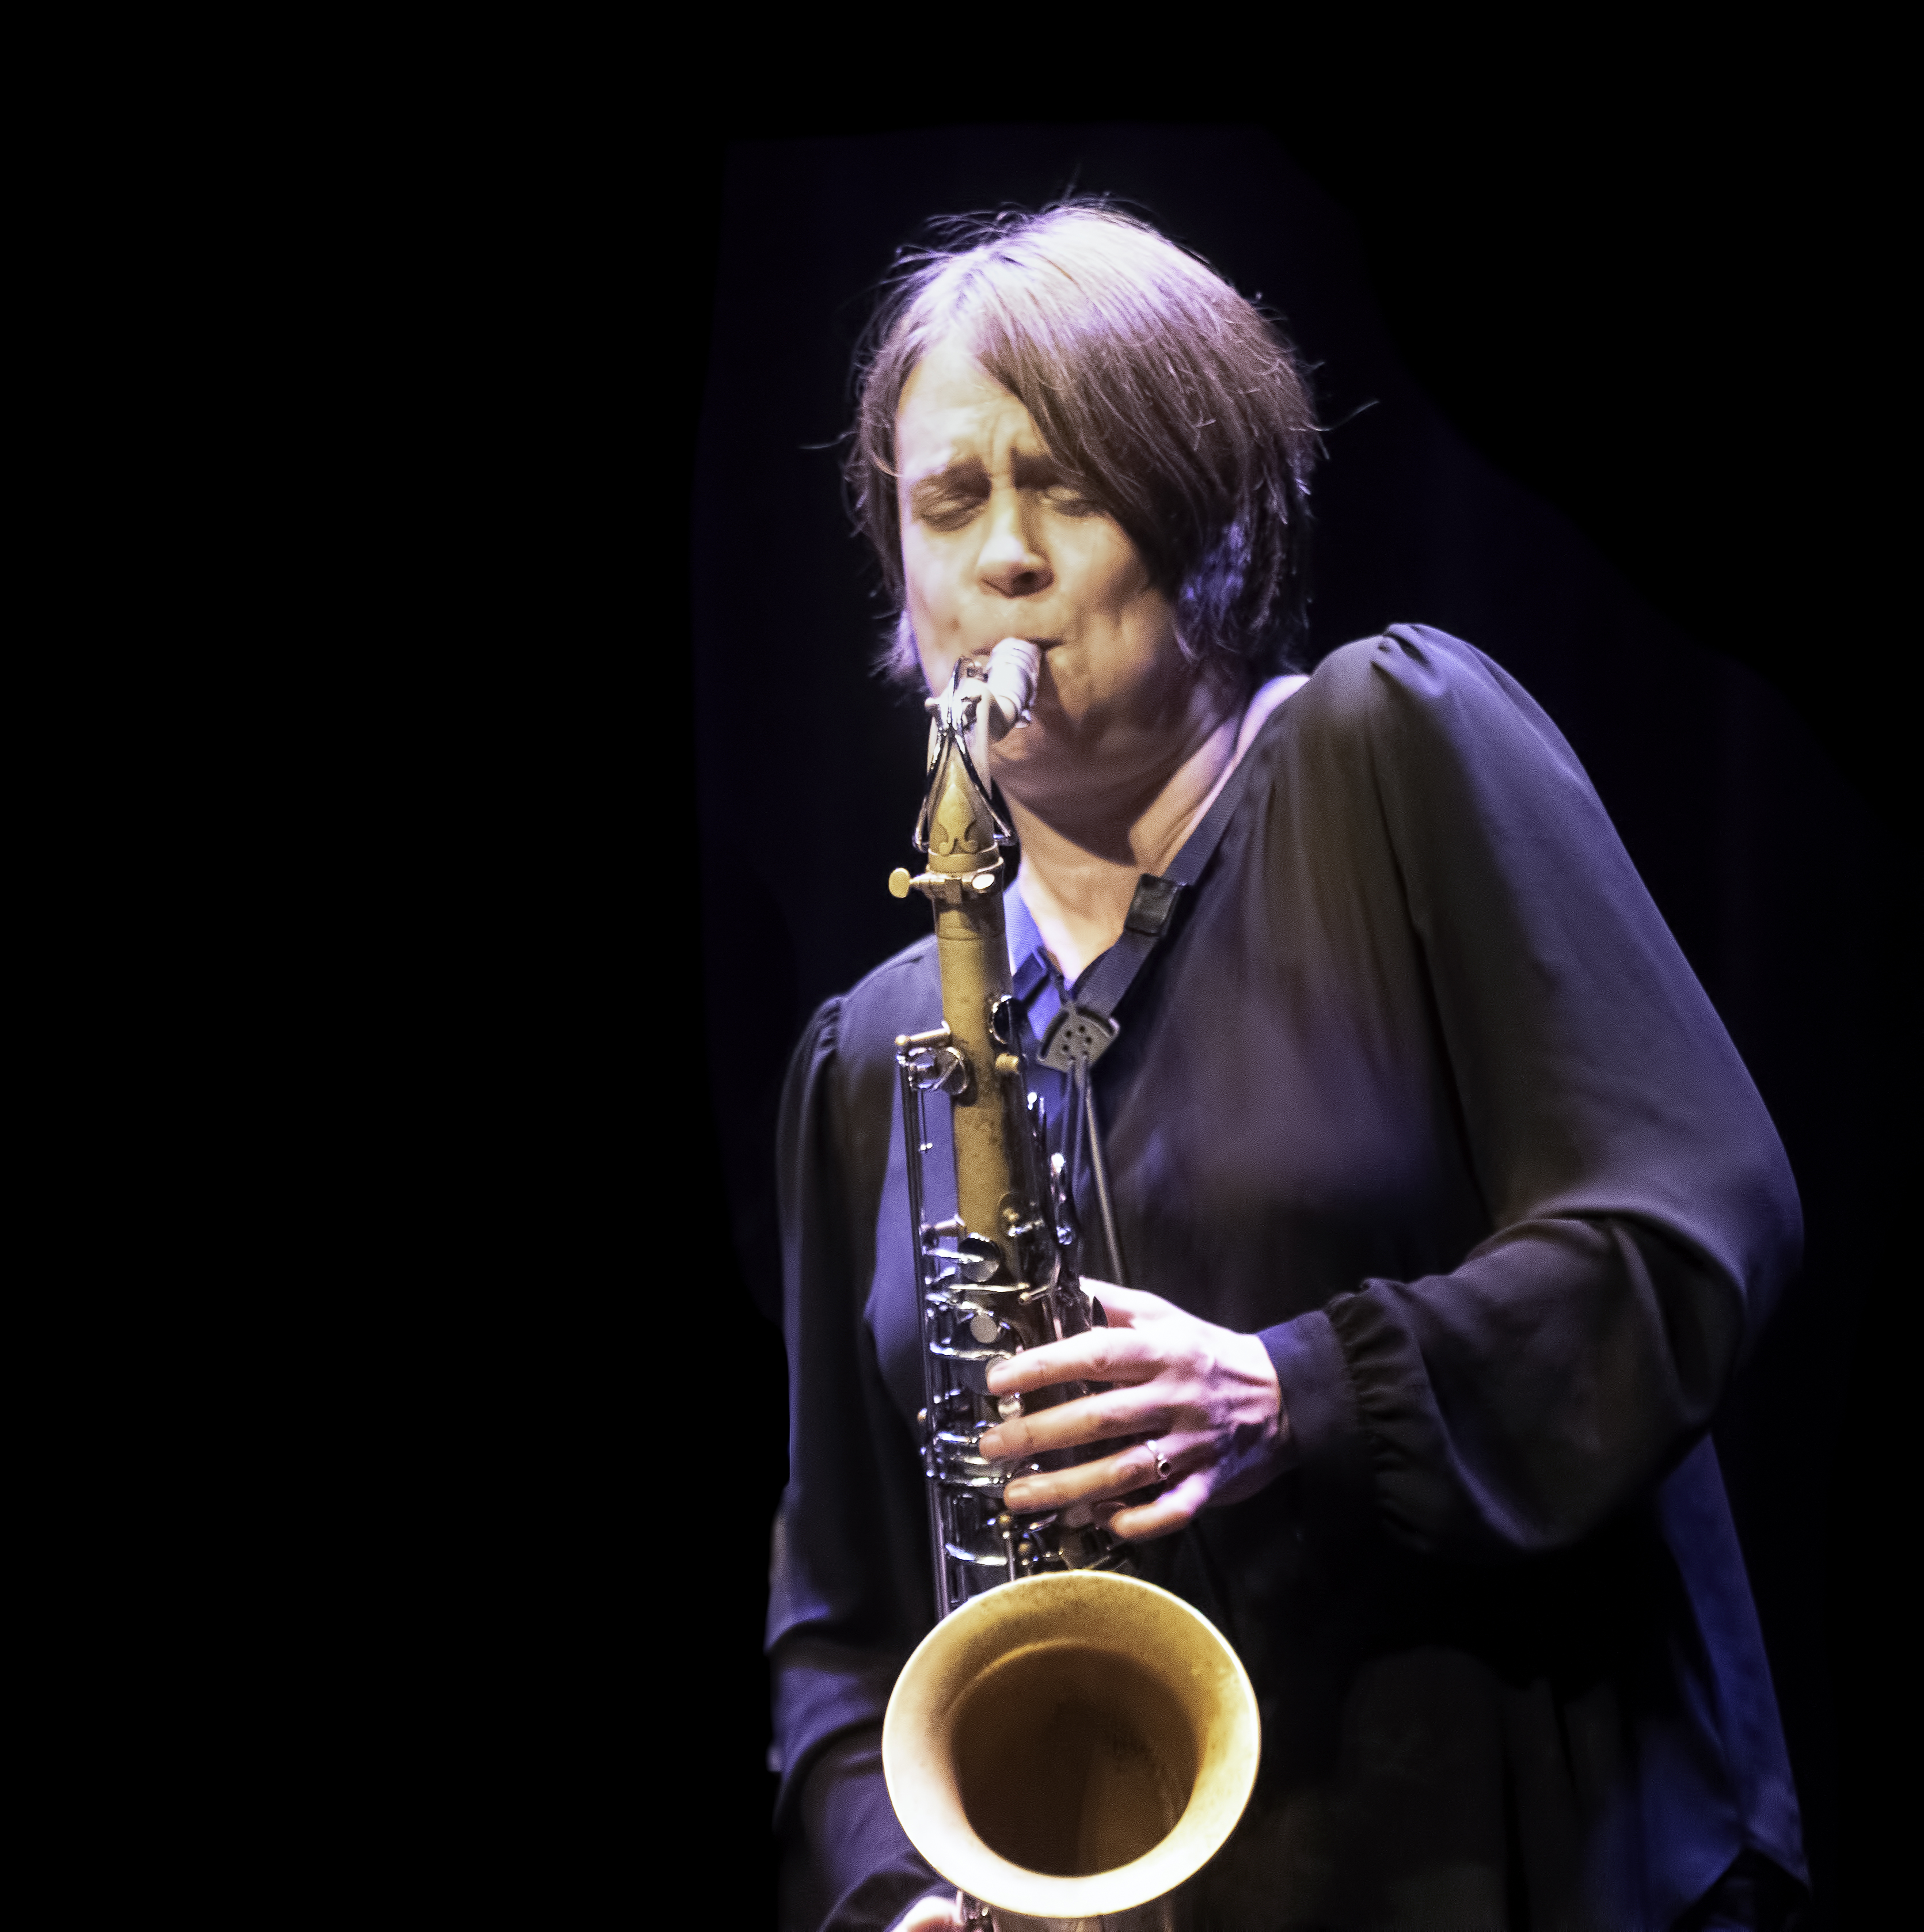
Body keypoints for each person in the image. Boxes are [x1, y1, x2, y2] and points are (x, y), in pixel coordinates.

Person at [766, 207, 1809, 1932]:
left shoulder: (1395, 748)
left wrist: (1292, 1388)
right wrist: (896, 1881)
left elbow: (1689, 1229)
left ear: (1215, 524)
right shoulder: (875, 1050)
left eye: (1071, 489)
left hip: (1521, 1861)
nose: (1002, 559)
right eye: (949, 504)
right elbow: (836, 1606)